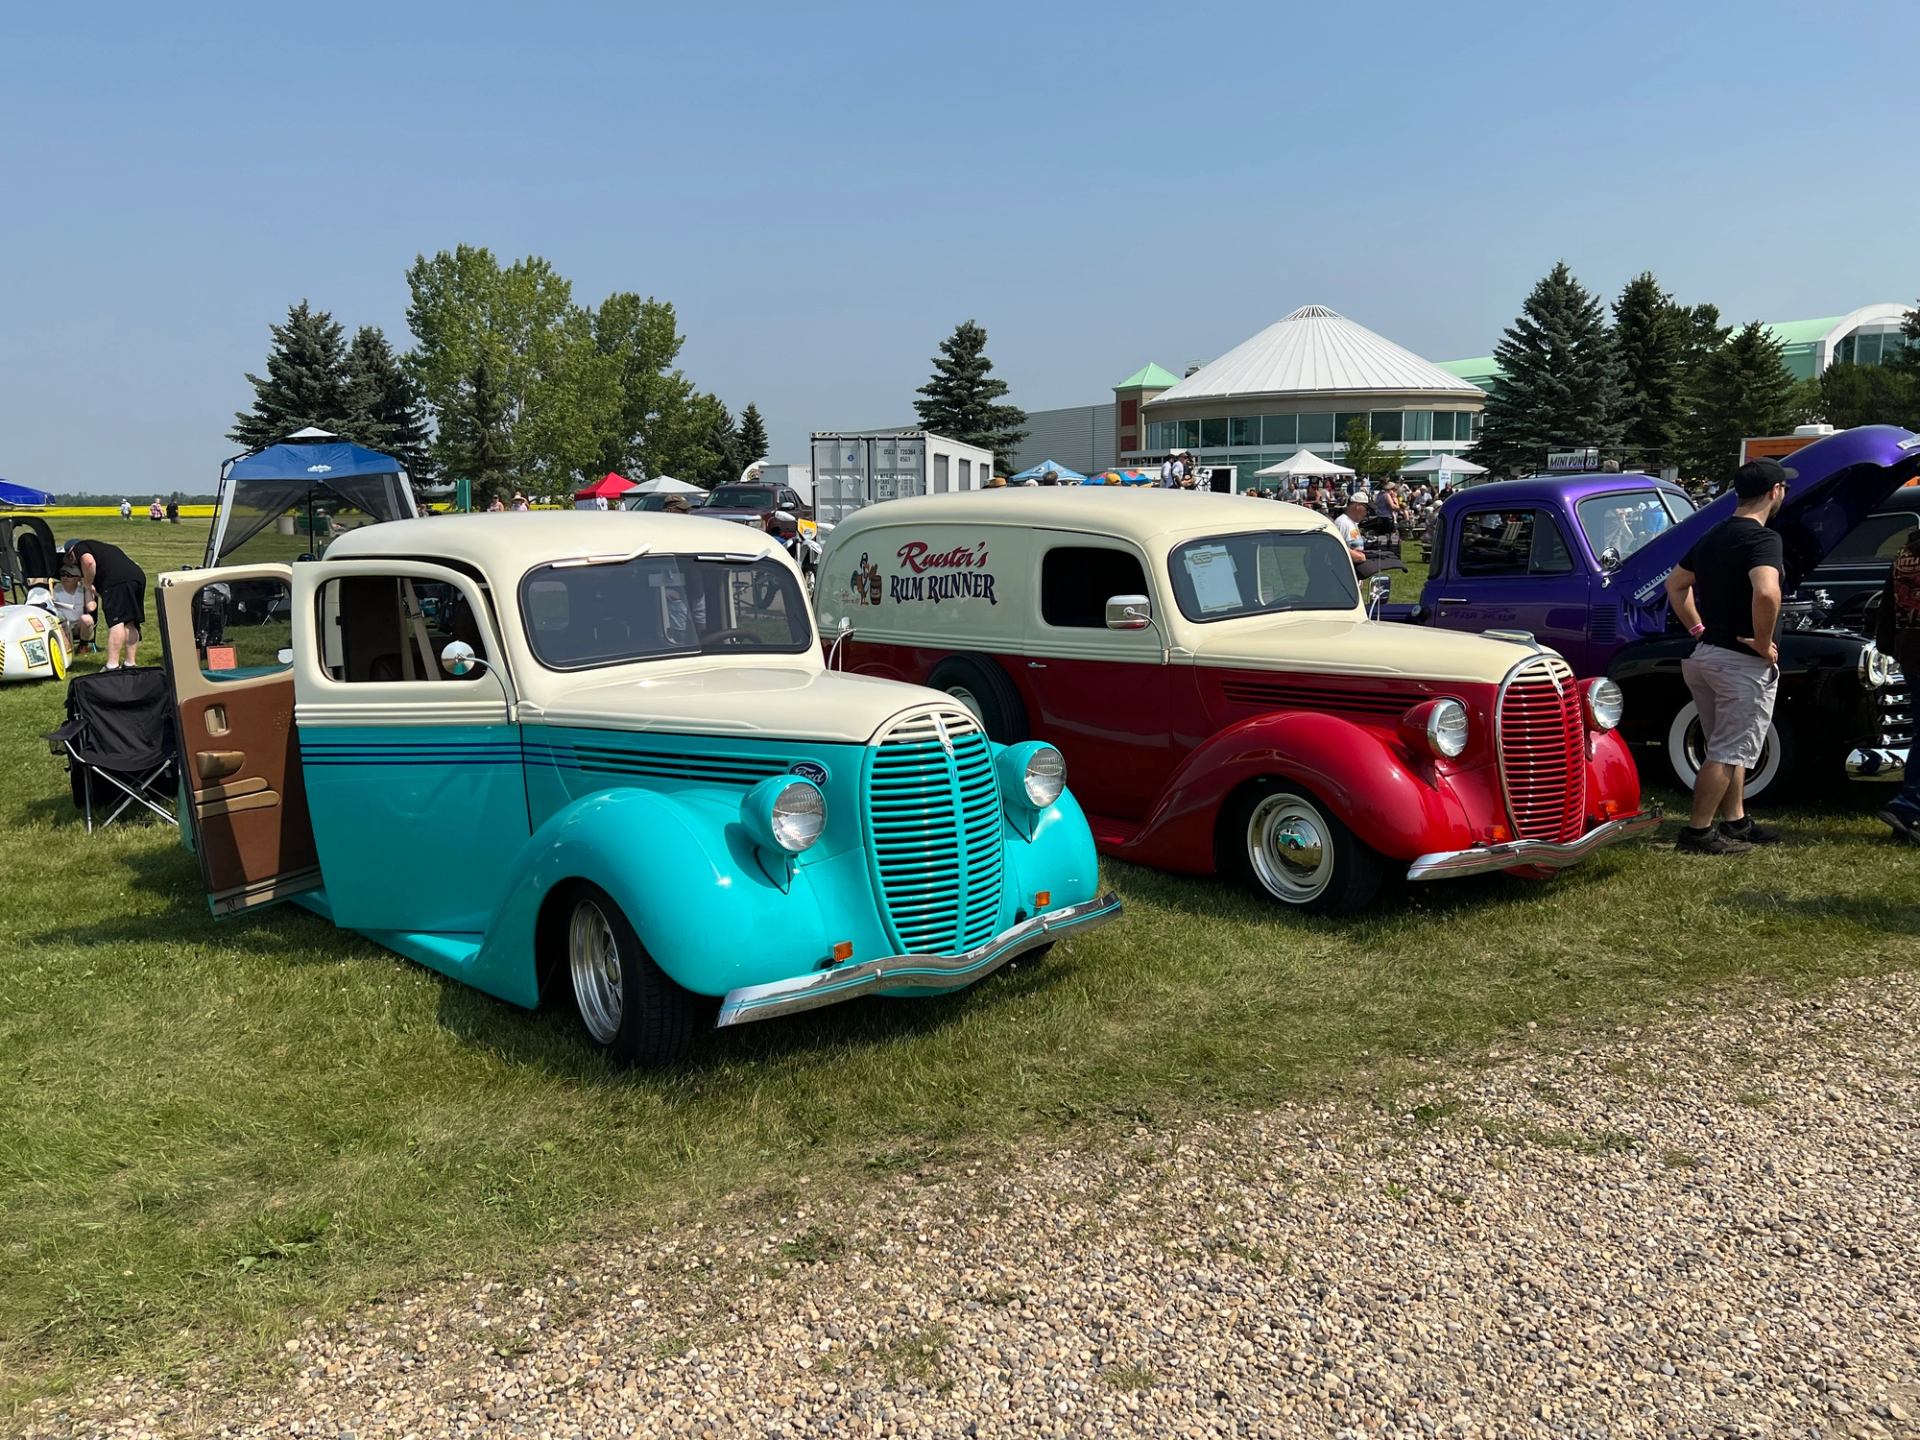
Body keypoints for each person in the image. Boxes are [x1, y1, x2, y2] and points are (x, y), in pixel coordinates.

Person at [1664, 458, 1791, 855]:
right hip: (1740, 663)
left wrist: (1697, 628)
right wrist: (1760, 640)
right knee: (1727, 751)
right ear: (1775, 492)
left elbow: (1675, 584)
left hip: (1705, 657)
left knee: (1728, 745)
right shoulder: (1763, 539)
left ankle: (1735, 822)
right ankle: (1697, 833)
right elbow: (1767, 591)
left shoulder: (1714, 534)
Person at [1873, 524, 1920, 842]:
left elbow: (1889, 604)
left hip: (1909, 645)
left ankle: (1907, 813)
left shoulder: (1907, 551)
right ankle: (1907, 806)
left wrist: (1889, 644)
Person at [64, 537, 146, 668]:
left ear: (71, 552)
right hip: (137, 578)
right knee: (130, 622)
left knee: (116, 621)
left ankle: (112, 665)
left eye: (70, 558)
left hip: (117, 582)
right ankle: (130, 663)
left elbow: (89, 562)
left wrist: (88, 583)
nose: (72, 562)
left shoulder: (80, 547)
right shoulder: (103, 548)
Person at [51, 562, 96, 649]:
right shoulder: (54, 590)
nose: (65, 577)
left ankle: (83, 646)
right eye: (62, 574)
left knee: (87, 619)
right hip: (61, 626)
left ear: (78, 578)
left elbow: (91, 607)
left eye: (69, 575)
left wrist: (87, 589)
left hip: (77, 626)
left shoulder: (82, 590)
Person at [1334, 492, 1370, 565]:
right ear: (1358, 506)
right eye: (1366, 509)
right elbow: (1335, 547)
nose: (1367, 512)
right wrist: (1359, 557)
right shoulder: (1343, 523)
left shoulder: (1351, 522)